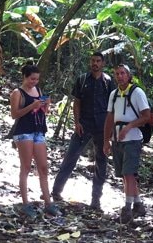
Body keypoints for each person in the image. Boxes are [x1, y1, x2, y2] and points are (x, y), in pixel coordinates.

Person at [51, 51, 114, 209]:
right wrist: (77, 122)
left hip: (101, 126)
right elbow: (77, 102)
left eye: (98, 61)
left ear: (103, 63)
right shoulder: (82, 79)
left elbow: (112, 107)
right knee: (71, 156)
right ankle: (56, 191)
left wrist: (110, 130)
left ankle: (95, 200)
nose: (95, 63)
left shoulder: (108, 81)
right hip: (84, 125)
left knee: (101, 162)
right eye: (93, 60)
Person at [10, 64, 61, 219]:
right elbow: (14, 114)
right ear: (25, 77)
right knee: (26, 167)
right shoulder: (17, 93)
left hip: (38, 130)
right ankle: (25, 204)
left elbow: (43, 113)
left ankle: (48, 203)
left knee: (43, 167)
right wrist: (32, 105)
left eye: (37, 79)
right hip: (24, 131)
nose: (34, 82)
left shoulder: (38, 90)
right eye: (32, 78)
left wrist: (46, 106)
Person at [103, 63, 150, 224]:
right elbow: (110, 118)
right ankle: (138, 204)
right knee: (124, 174)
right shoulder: (114, 94)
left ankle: (127, 208)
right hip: (117, 139)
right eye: (117, 73)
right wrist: (106, 140)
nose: (120, 76)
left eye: (122, 73)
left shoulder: (137, 92)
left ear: (129, 76)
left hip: (133, 139)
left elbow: (146, 116)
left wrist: (129, 126)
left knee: (129, 174)